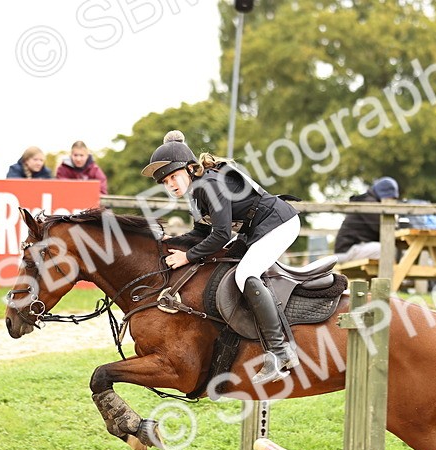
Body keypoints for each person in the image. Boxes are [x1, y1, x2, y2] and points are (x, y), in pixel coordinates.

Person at [141, 130, 300, 384]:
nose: (170, 184)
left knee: (245, 274)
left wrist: (188, 257)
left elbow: (222, 234)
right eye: (165, 182)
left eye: (173, 176)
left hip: (279, 223)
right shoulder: (196, 191)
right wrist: (169, 243)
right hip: (256, 230)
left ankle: (281, 352)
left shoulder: (209, 185)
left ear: (190, 169)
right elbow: (201, 231)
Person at [333, 177, 401, 263]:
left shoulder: (368, 201)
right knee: (386, 249)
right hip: (347, 251)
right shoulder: (369, 204)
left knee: (391, 248)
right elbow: (386, 229)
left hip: (353, 248)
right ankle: (392, 276)